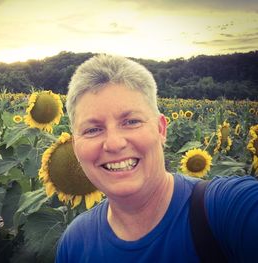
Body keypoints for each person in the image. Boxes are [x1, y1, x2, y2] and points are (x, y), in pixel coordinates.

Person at [55, 54, 258, 262]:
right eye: (93, 129)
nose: (114, 143)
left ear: (161, 129)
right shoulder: (74, 244)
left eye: (131, 121)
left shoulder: (227, 211)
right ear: (75, 146)